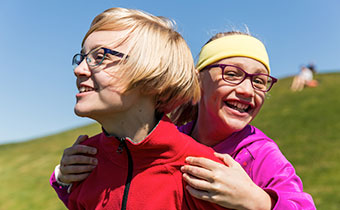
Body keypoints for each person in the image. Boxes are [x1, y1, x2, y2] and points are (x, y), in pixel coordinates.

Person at [51, 30, 316, 209]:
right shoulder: (165, 138)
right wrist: (65, 178)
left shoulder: (261, 155)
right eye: (232, 74)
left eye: (259, 80)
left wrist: (258, 201)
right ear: (198, 81)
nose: (248, 90)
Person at [52, 7, 231, 210]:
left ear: (153, 74)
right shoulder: (82, 165)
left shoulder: (204, 172)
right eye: (82, 57)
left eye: (100, 56)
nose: (79, 69)